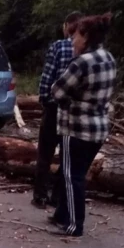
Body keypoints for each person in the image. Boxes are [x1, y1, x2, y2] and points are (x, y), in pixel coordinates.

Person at [50, 13, 116, 237]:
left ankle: (74, 224)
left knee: (71, 176)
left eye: (76, 36)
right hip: (98, 128)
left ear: (86, 36)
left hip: (75, 128)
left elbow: (57, 91)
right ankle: (61, 214)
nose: (72, 41)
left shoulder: (80, 63)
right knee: (76, 173)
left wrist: (71, 100)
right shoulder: (108, 58)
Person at [33, 11, 83, 209]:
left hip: (55, 107)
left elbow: (48, 76)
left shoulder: (58, 46)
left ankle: (40, 195)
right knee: (66, 154)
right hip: (73, 110)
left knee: (45, 152)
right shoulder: (87, 51)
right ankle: (57, 196)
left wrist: (44, 99)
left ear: (67, 26)